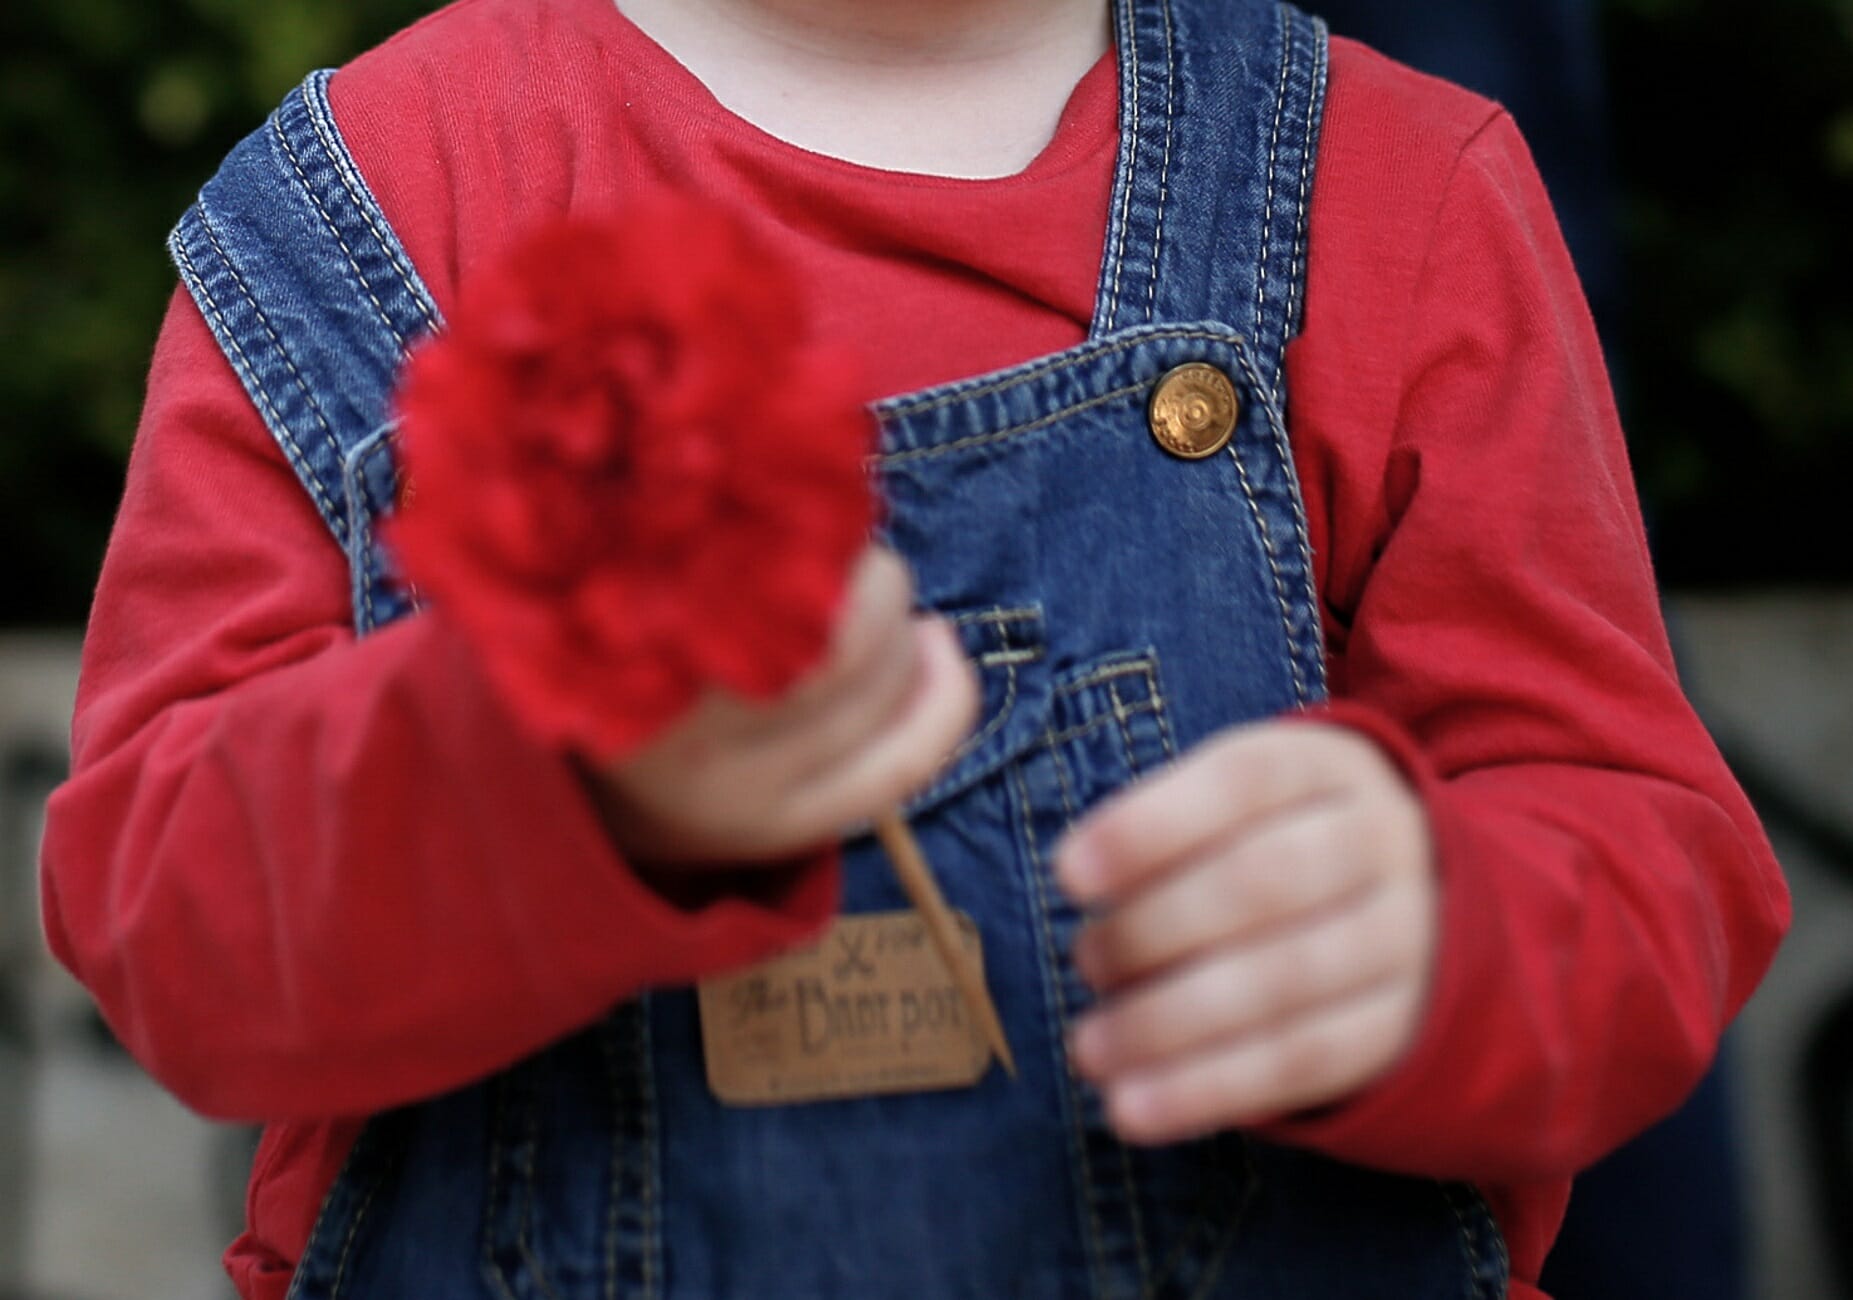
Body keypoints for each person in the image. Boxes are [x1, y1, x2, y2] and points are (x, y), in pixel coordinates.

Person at [39, 1, 1787, 1298]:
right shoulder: (365, 207)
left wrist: (1442, 933)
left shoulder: (1398, 195)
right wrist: (547, 763)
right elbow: (160, 921)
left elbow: (1648, 857)